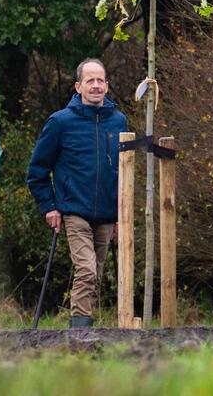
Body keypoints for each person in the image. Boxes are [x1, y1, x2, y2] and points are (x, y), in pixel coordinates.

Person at [25, 58, 128, 328]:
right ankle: (79, 332)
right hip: (73, 211)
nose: (96, 86)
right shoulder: (60, 122)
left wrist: (122, 214)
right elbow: (37, 169)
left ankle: (86, 330)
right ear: (78, 86)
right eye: (90, 81)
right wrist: (48, 206)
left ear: (107, 85)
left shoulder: (119, 121)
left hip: (107, 214)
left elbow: (124, 171)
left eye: (100, 80)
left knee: (98, 273)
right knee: (87, 270)